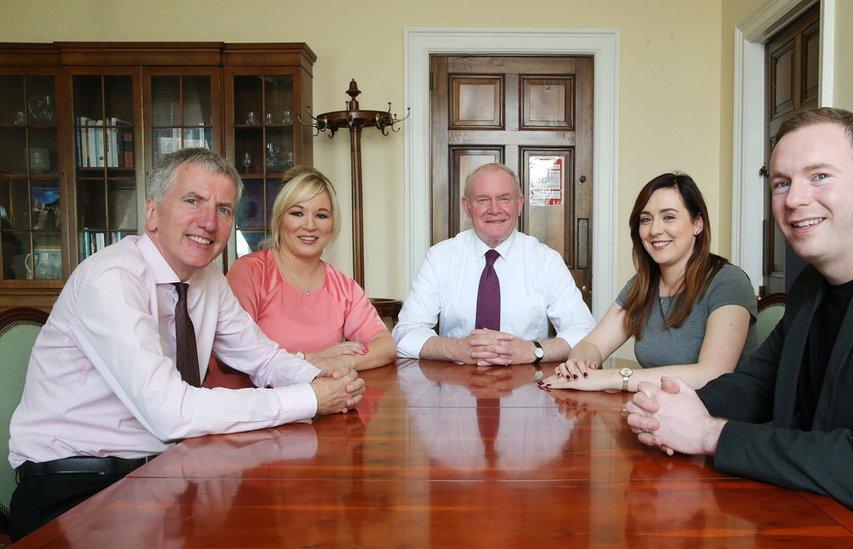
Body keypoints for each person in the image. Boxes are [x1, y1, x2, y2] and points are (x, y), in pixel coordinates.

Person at [626, 108, 853, 547]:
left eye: (820, 176)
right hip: (804, 514)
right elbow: (756, 386)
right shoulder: (813, 283)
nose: (794, 200)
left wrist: (708, 433)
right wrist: (668, 406)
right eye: (782, 183)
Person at [7, 148, 365, 541]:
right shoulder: (110, 279)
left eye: (224, 209)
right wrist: (310, 398)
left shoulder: (206, 278)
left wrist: (322, 376)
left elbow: (261, 356)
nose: (209, 222)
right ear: (152, 212)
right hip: (75, 487)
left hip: (159, 472)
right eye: (192, 200)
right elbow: (170, 412)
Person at [540, 173, 757, 392]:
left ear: (698, 223)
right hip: (657, 412)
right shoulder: (642, 284)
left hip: (720, 420)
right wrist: (580, 366)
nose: (654, 230)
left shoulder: (729, 281)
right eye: (646, 219)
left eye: (669, 217)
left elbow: (712, 374)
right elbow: (592, 344)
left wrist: (615, 378)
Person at [392, 163, 595, 365]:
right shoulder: (440, 258)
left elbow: (584, 330)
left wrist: (533, 350)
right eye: (483, 199)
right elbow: (405, 333)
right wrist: (458, 349)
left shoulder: (546, 261)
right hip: (456, 384)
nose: (495, 209)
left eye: (504, 198)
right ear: (466, 206)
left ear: (520, 204)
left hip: (528, 384)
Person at [212, 166, 393, 389]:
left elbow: (385, 346)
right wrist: (309, 359)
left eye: (321, 215)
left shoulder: (343, 286)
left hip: (320, 404)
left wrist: (339, 362)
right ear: (280, 219)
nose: (310, 225)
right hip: (254, 409)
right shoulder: (250, 273)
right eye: (297, 213)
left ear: (333, 224)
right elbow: (229, 359)